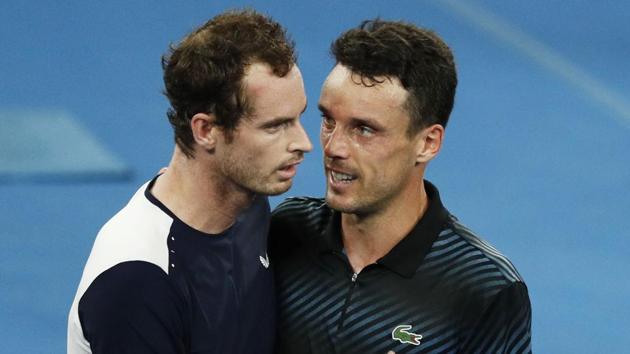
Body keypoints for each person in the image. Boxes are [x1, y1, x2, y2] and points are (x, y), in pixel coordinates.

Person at [270, 19, 532, 354]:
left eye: (364, 129)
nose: (333, 147)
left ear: (427, 142)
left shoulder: (484, 288)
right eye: (328, 120)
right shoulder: (287, 232)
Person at [68, 9, 312, 354]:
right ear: (207, 130)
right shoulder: (137, 280)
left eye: (299, 117)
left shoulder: (247, 202)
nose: (304, 143)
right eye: (274, 126)